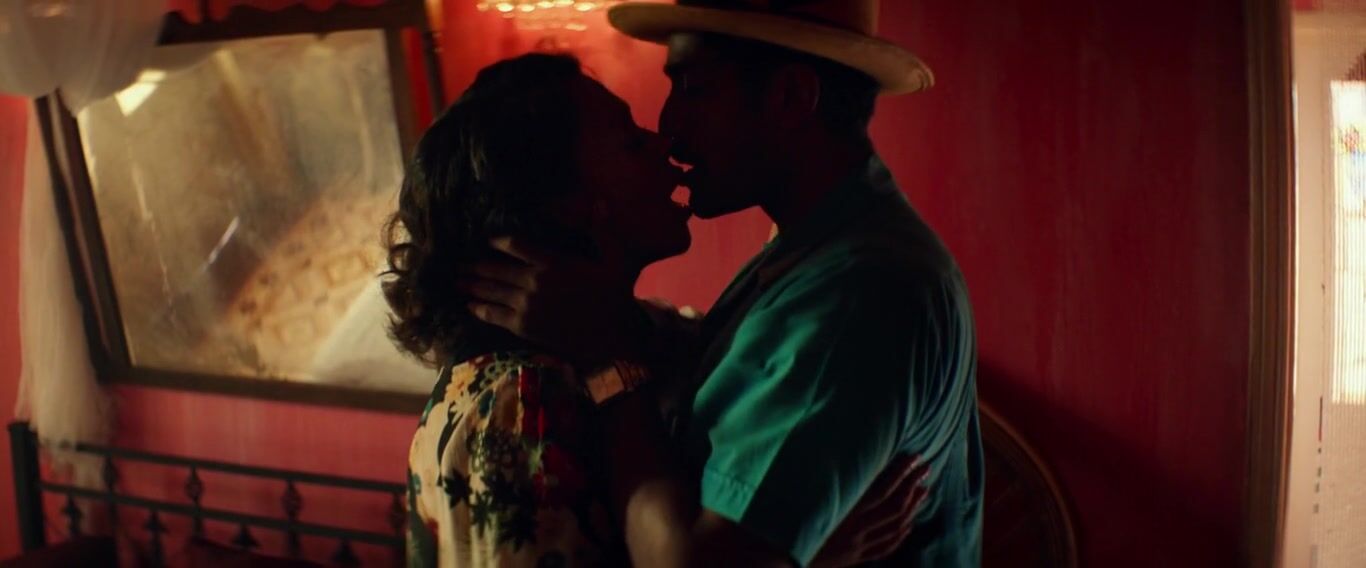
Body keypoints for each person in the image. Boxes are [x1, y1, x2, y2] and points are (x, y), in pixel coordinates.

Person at [460, 1, 984, 566]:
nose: (669, 128)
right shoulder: (810, 252)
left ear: (790, 98)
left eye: (693, 89)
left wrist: (612, 364)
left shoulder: (857, 292)